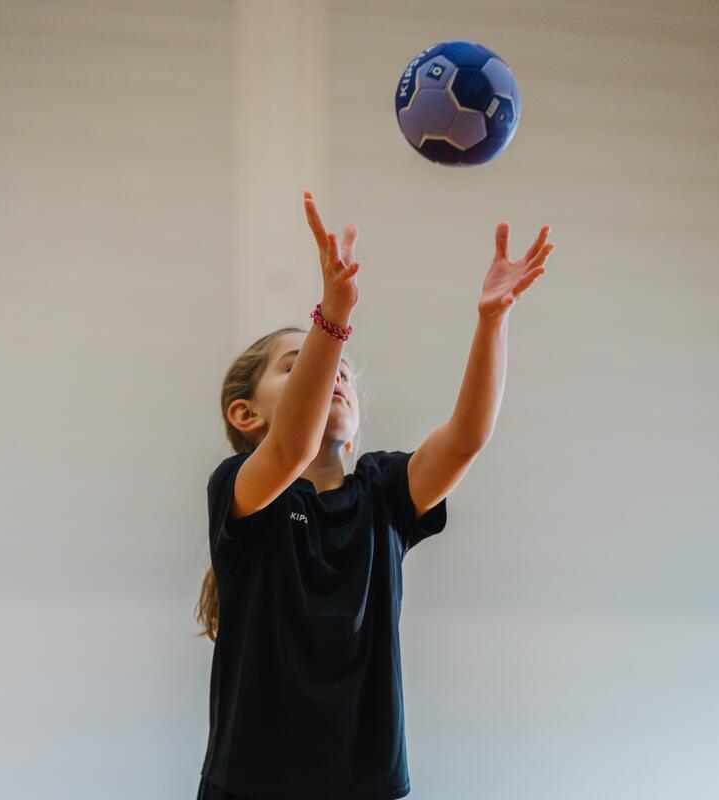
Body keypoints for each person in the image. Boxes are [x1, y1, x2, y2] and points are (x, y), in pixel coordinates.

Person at [194, 191, 556, 800]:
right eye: (298, 363)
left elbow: (466, 440)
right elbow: (290, 449)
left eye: (342, 369)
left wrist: (493, 321)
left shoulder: (383, 492)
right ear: (245, 413)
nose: (334, 370)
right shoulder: (240, 489)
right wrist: (332, 315)